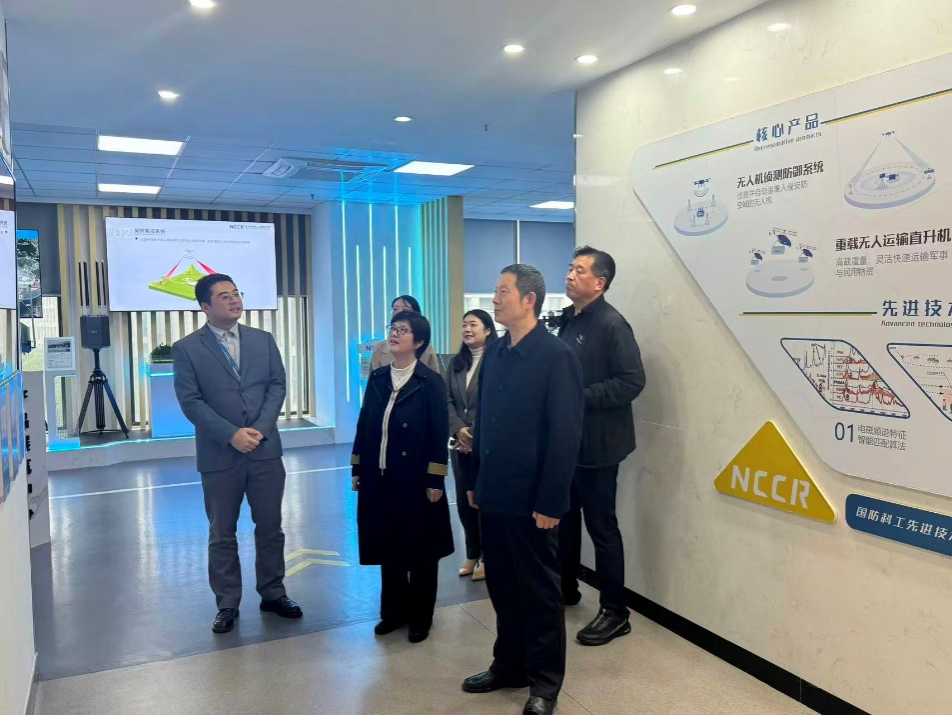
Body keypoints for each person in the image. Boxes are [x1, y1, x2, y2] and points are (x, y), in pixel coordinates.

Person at [462, 265, 583, 715]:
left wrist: (552, 501)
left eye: (502, 292)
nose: (495, 299)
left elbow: (565, 435)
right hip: (495, 493)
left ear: (529, 300)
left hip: (534, 501)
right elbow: (484, 422)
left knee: (539, 592)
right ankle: (508, 665)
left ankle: (545, 683)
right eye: (495, 291)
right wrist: (476, 481)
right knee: (503, 586)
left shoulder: (556, 356)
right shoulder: (496, 351)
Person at [172, 273, 302, 634]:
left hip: (265, 449)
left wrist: (260, 428)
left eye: (236, 294)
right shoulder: (187, 348)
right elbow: (191, 401)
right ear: (205, 306)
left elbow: (277, 385)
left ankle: (273, 592)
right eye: (224, 296)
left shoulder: (263, 340)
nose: (234, 300)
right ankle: (227, 602)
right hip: (219, 455)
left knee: (271, 527)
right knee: (222, 532)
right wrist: (231, 435)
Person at [559, 246, 646, 647]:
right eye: (570, 268)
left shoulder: (612, 324)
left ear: (600, 282)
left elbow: (632, 381)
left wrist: (580, 396)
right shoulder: (570, 320)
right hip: (569, 442)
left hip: (599, 446)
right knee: (564, 519)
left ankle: (615, 612)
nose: (570, 275)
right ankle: (565, 587)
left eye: (580, 270)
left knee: (602, 527)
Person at [351, 310, 453, 644]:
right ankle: (393, 613)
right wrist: (358, 466)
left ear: (419, 341)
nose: (394, 334)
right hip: (379, 476)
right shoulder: (379, 377)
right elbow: (365, 423)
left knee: (420, 550)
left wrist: (435, 480)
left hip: (415, 479)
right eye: (393, 328)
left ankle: (421, 616)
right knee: (389, 545)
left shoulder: (429, 381)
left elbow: (438, 432)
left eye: (403, 330)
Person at [446, 309, 497, 582]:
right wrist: (459, 429)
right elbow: (446, 400)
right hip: (460, 444)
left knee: (483, 500)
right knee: (464, 503)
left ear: (488, 330)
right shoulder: (456, 363)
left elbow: (496, 402)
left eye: (473, 324)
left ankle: (489, 556)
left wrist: (474, 433)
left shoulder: (497, 361)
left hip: (485, 443)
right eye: (464, 324)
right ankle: (472, 552)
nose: (467, 329)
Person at [370, 295, 441, 372]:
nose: (398, 313)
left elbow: (435, 375)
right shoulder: (380, 348)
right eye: (395, 309)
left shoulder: (427, 349)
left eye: (405, 309)